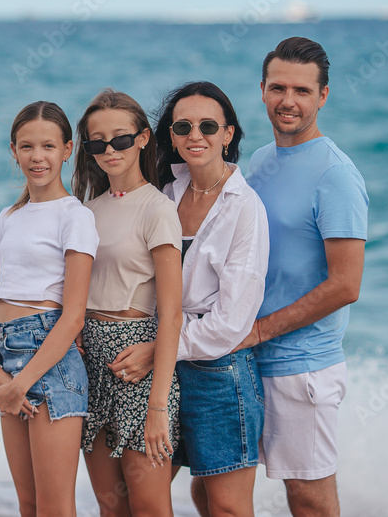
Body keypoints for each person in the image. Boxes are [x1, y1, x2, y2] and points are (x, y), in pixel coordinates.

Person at [228, 37, 369, 517]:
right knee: (213, 492)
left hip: (302, 364)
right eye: (278, 87)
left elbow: (346, 284)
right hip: (245, 357)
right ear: (262, 90)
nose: (288, 101)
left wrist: (261, 330)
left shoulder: (336, 175)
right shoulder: (261, 160)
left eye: (302, 91)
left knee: (308, 500)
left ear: (323, 96)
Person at [115, 81, 266, 517]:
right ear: (172, 136)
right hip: (157, 363)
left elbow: (232, 321)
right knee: (139, 497)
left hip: (217, 372)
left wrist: (158, 349)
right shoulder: (165, 191)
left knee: (226, 508)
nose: (195, 135)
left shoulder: (245, 207)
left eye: (207, 126)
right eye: (183, 126)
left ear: (228, 134)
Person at [0, 100, 99, 517]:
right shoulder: (8, 217)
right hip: (7, 361)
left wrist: (21, 381)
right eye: (27, 147)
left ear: (67, 149)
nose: (37, 157)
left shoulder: (74, 216)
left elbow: (74, 316)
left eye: (48, 146)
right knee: (28, 505)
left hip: (50, 361)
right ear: (13, 151)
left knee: (54, 508)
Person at [73, 89, 184, 517]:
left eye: (120, 139)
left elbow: (172, 313)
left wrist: (158, 407)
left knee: (150, 506)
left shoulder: (158, 209)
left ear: (141, 139)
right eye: (97, 142)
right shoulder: (86, 211)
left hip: (137, 362)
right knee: (109, 507)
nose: (108, 150)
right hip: (89, 362)